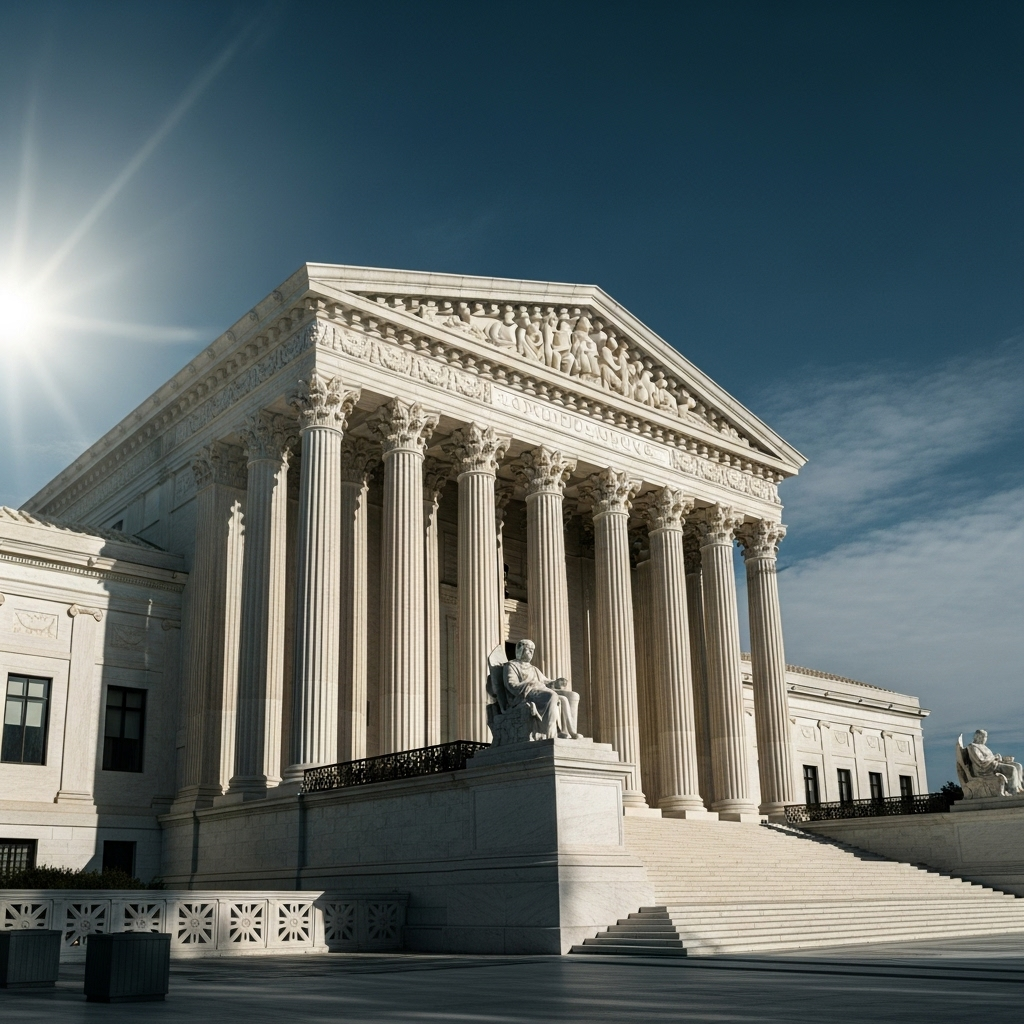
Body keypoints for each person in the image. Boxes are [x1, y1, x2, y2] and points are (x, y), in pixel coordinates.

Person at [503, 640, 581, 739]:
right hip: (524, 695)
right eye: (529, 649)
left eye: (532, 650)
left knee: (569, 697)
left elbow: (545, 681)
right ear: (521, 650)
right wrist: (532, 684)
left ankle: (569, 731)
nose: (531, 652)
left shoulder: (533, 668)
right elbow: (511, 685)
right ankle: (550, 733)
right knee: (552, 696)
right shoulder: (511, 665)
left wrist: (556, 683)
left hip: (539, 692)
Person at [967, 729, 1024, 794]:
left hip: (993, 764)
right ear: (977, 737)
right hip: (986, 769)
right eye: (983, 737)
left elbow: (990, 758)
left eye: (985, 737)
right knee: (1012, 769)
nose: (985, 739)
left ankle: (1019, 787)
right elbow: (980, 761)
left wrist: (1001, 759)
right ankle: (1013, 790)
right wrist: (994, 757)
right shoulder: (973, 746)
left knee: (1018, 766)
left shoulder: (983, 746)